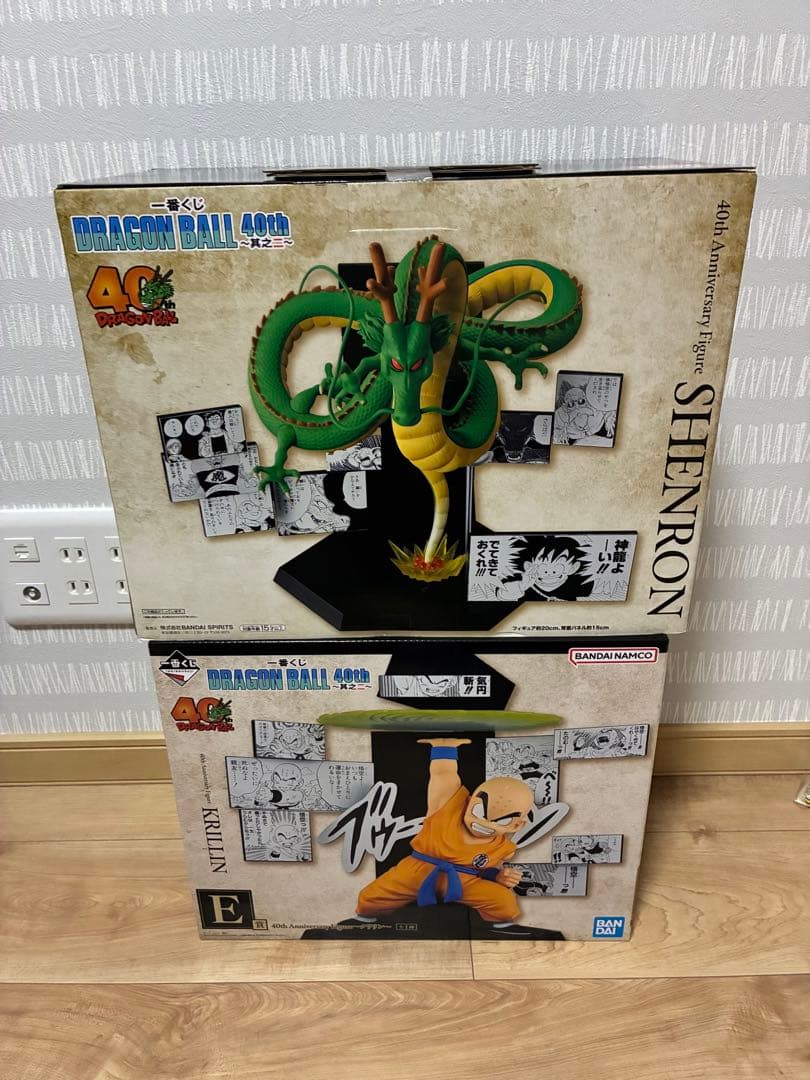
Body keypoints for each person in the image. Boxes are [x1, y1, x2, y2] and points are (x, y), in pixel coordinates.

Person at [345, 738, 541, 938]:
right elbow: (443, 775)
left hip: (464, 881)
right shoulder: (448, 809)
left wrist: (498, 877)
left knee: (503, 901)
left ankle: (502, 928)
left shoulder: (502, 847)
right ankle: (364, 922)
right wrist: (444, 747)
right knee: (369, 897)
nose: (482, 823)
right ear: (470, 801)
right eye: (478, 812)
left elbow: (486, 870)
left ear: (516, 825)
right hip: (416, 871)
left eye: (500, 821)